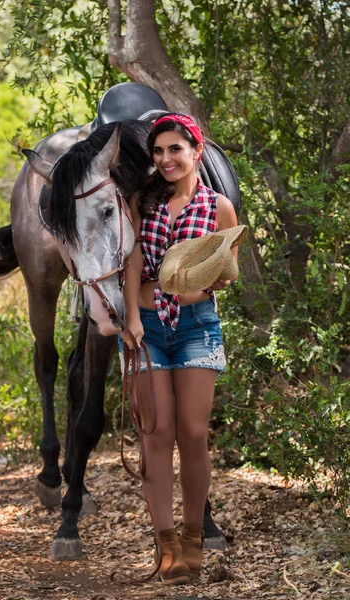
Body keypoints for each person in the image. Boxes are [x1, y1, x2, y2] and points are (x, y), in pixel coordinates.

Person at [120, 113, 239, 584]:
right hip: (146, 326)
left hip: (196, 326)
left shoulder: (219, 207)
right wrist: (131, 317)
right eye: (159, 151)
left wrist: (203, 283)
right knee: (156, 432)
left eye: (175, 149)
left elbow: (228, 271)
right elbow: (131, 262)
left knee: (191, 432)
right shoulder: (142, 201)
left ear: (196, 151)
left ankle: (193, 538)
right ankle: (166, 543)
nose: (166, 159)